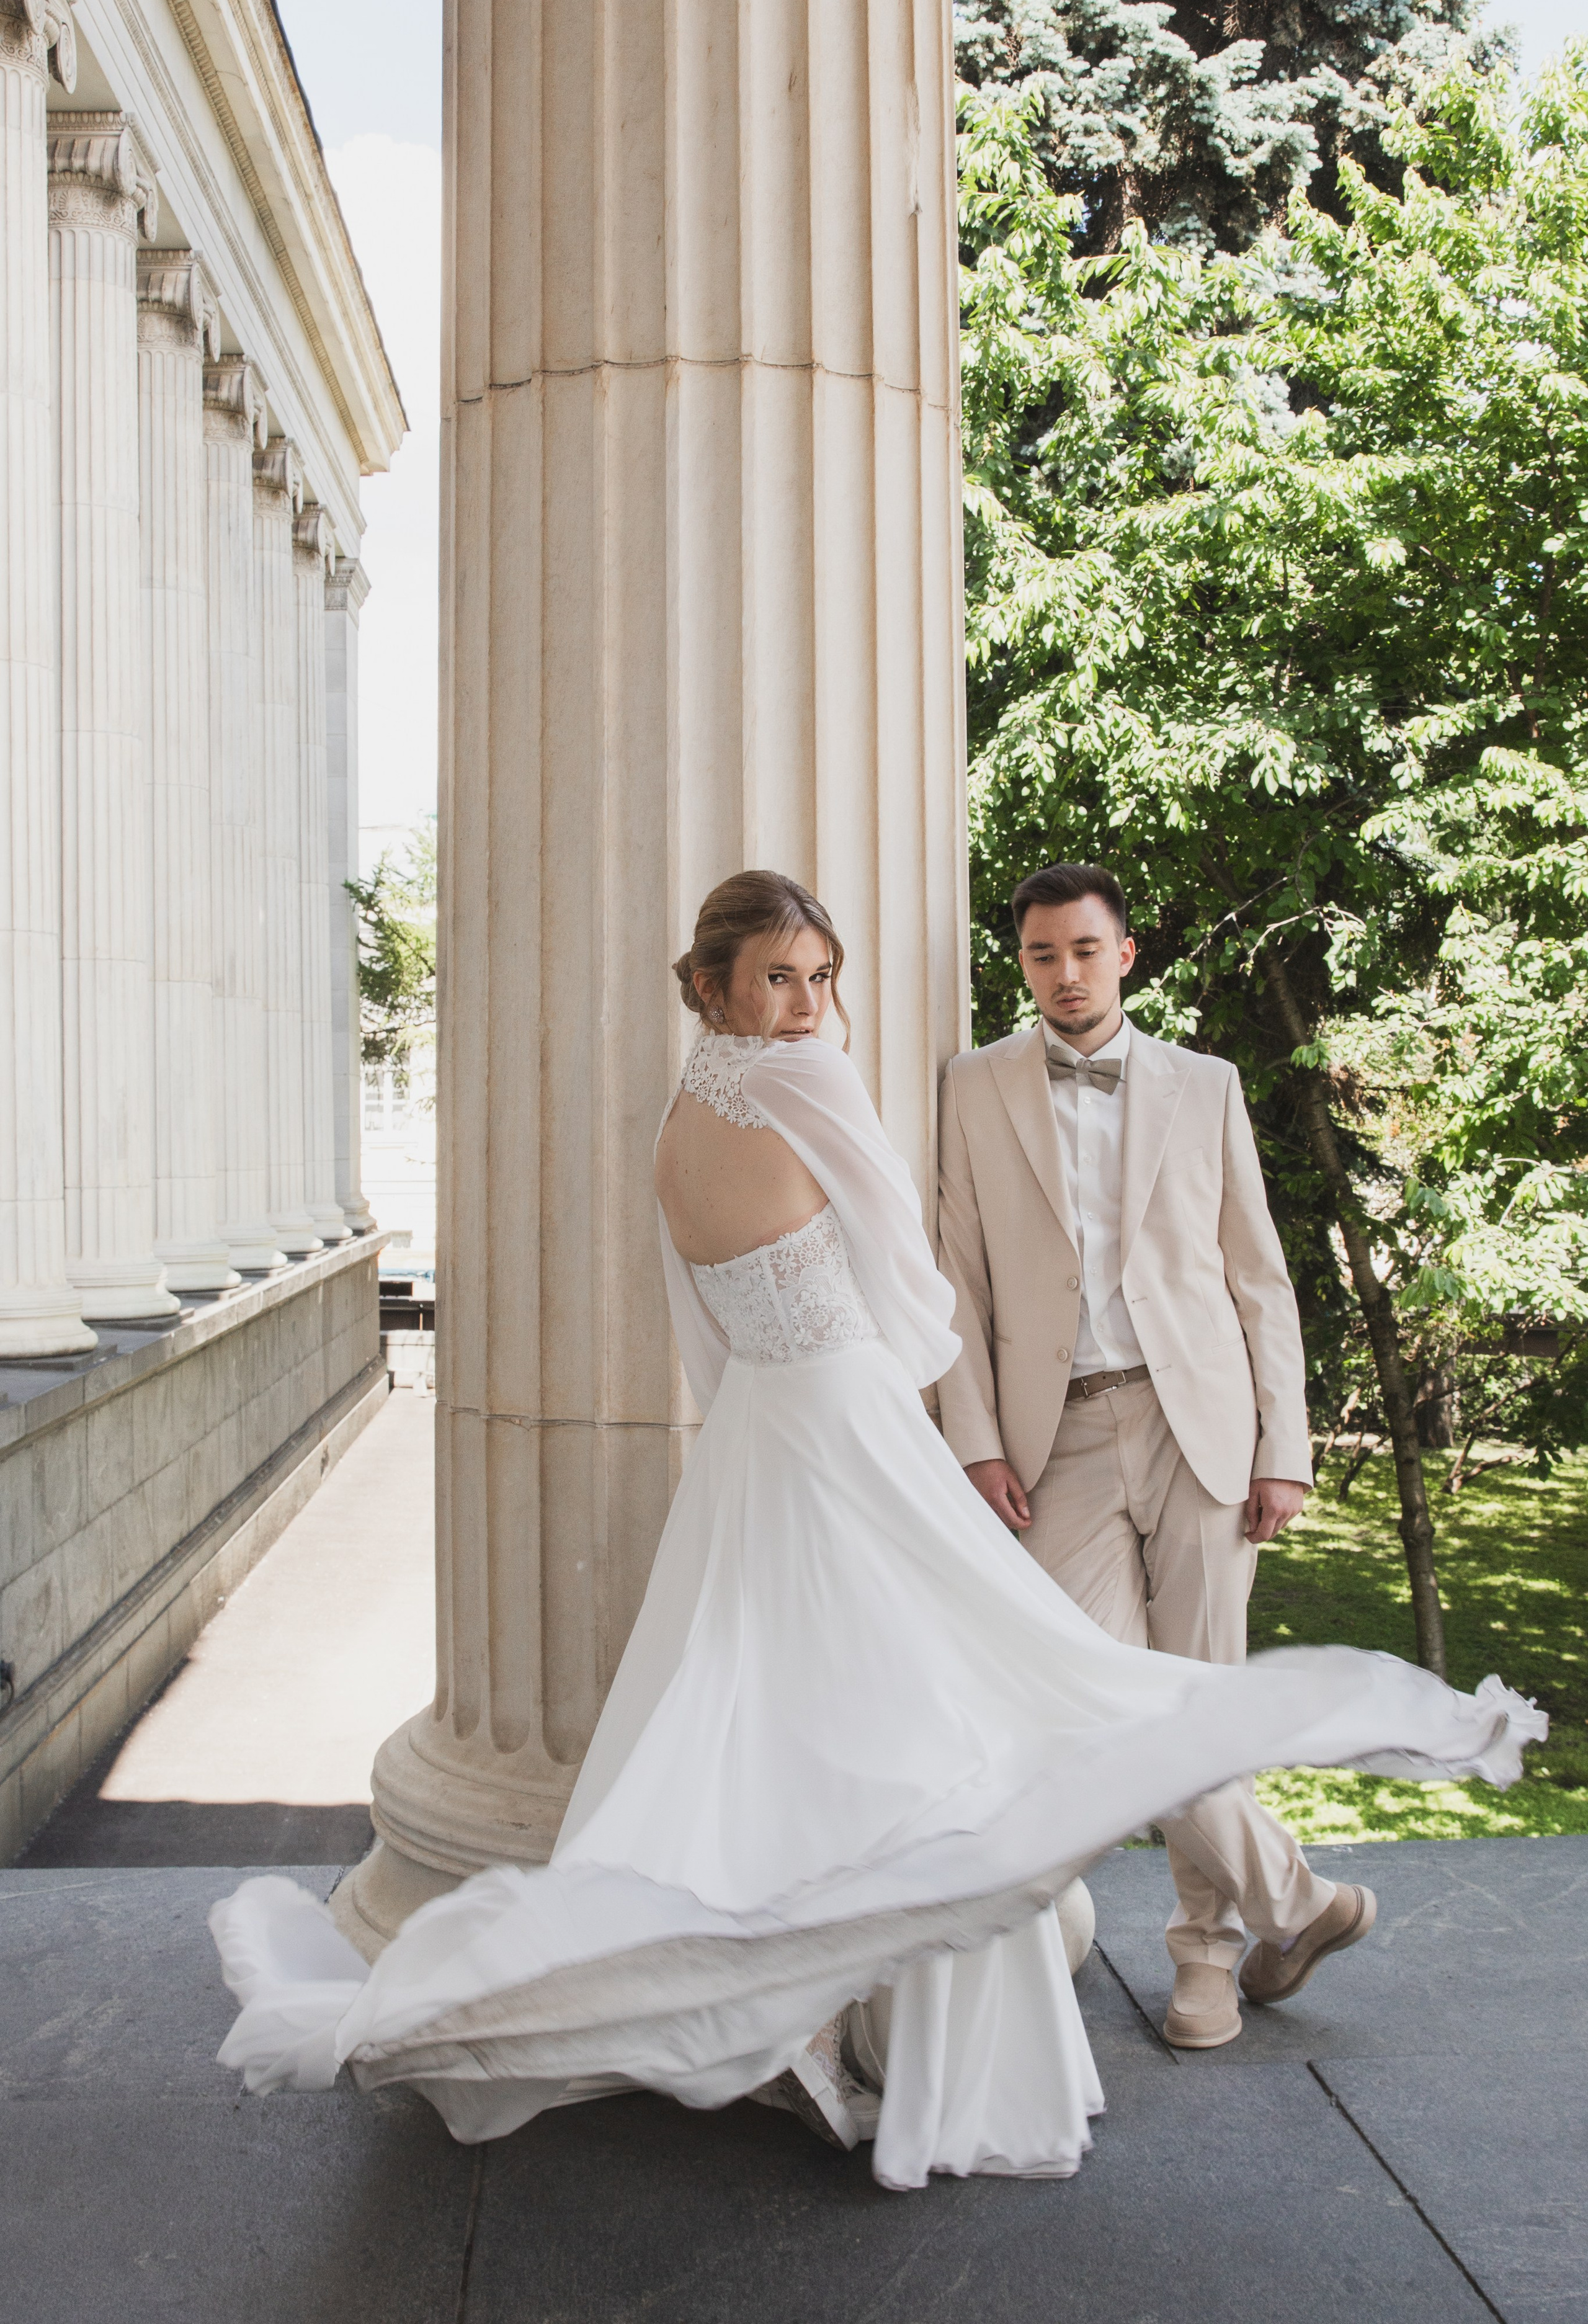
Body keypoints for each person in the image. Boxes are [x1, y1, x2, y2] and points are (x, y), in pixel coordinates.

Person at [210, 870, 1540, 2189]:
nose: (804, 1006)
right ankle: (963, 2010)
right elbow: (914, 1290)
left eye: (820, 979)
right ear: (711, 986)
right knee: (992, 1708)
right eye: (778, 978)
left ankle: (853, 2005)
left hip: (764, 1447)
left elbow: (711, 1333)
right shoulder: (812, 1083)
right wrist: (918, 1386)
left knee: (792, 1733)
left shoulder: (676, 1120)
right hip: (853, 1424)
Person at [937, 860, 1369, 2049]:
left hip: (1203, 1431)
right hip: (1053, 1435)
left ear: (1124, 954)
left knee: (1202, 1695)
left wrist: (1287, 1446)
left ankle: (1209, 1960)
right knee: (1102, 1702)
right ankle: (1302, 1900)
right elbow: (955, 1287)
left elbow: (1258, 1279)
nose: (1064, 974)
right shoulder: (970, 1089)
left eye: (1084, 950)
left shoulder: (1207, 1084)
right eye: (1041, 955)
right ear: (1019, 963)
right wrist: (973, 1444)